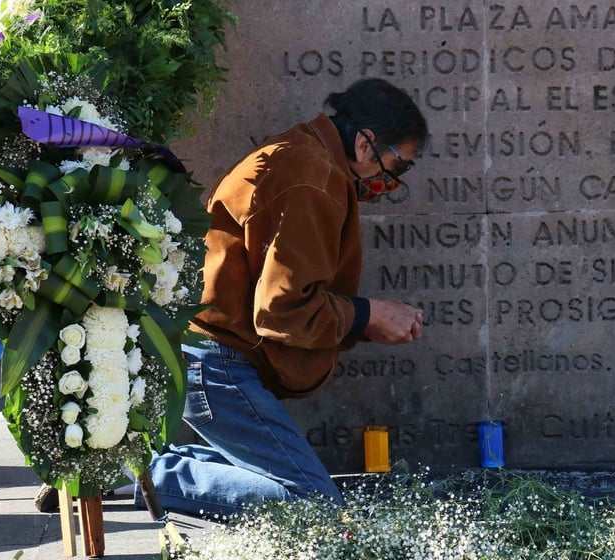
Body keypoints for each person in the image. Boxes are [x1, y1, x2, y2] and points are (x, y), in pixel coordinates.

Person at [141, 78, 429, 518]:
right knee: (313, 507)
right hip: (217, 361)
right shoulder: (314, 178)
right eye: (399, 165)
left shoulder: (306, 154)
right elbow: (283, 311)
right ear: (368, 145)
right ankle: (141, 475)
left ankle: (139, 469)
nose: (393, 180)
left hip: (211, 354)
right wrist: (369, 315)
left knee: (291, 490)